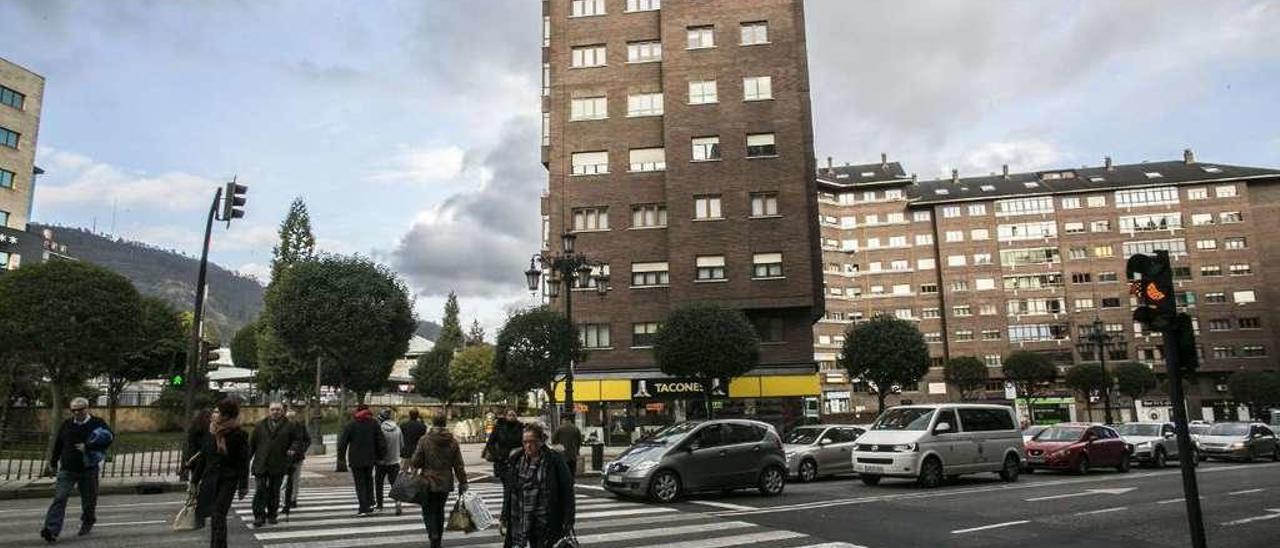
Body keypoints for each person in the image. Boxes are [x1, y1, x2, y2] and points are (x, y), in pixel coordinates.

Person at [40, 397, 113, 543]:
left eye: (80, 409)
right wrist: (53, 463)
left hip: (88, 469)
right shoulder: (67, 424)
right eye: (73, 410)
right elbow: (58, 444)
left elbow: (109, 439)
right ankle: (51, 530)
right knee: (59, 498)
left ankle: (88, 521)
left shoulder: (97, 423)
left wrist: (88, 447)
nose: (77, 413)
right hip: (67, 469)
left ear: (87, 408)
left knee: (89, 501)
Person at [504, 423, 575, 548]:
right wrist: (504, 516)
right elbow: (509, 490)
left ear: (541, 441)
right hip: (520, 517)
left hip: (545, 519)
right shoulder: (516, 459)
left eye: (532, 441)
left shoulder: (554, 459)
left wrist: (568, 520)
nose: (528, 445)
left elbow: (567, 491)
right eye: (525, 442)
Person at [196, 398, 250, 548]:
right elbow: (204, 456)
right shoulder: (211, 431)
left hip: (228, 479)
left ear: (226, 415)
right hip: (211, 478)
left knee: (219, 514)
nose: (213, 414)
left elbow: (243, 462)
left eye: (217, 412)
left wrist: (243, 486)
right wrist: (194, 480)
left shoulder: (239, 435)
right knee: (214, 516)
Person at [409, 415, 467, 548]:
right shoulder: (452, 441)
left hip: (428, 481)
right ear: (445, 423)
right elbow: (458, 464)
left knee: (428, 509)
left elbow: (416, 461)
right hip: (445, 481)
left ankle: (432, 533)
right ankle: (438, 539)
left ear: (433, 423)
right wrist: (463, 481)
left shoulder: (424, 440)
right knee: (439, 510)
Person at [248, 402, 300, 527]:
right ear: (269, 411)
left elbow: (297, 440)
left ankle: (272, 514)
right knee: (260, 490)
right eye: (273, 409)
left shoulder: (289, 425)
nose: (275, 412)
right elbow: (252, 444)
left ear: (282, 411)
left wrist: (293, 448)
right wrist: (246, 460)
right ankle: (259, 515)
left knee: (274, 490)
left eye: (278, 409)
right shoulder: (260, 425)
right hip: (261, 463)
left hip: (278, 463)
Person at [338, 403, 386, 517]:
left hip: (356, 459)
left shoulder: (351, 424)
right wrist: (381, 456)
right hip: (370, 458)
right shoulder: (374, 423)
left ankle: (363, 507)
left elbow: (342, 443)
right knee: (369, 480)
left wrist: (341, 459)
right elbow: (380, 441)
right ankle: (370, 503)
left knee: (360, 483)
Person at [485, 409, 523, 524]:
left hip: (517, 462)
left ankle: (510, 515)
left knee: (513, 490)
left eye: (514, 414)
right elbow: (490, 443)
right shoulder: (499, 427)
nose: (512, 416)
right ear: (505, 416)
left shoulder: (521, 427)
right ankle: (505, 517)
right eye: (509, 414)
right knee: (508, 489)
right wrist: (497, 456)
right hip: (503, 463)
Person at [184, 409, 214, 530]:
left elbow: (190, 448)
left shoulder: (194, 430)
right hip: (204, 464)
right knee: (203, 492)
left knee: (196, 492)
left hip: (196, 464)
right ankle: (201, 516)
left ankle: (198, 518)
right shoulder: (209, 431)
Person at [374, 408, 404, 515]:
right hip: (394, 461)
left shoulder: (379, 429)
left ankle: (380, 504)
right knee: (394, 484)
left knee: (379, 484)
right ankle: (398, 501)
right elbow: (401, 445)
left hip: (381, 462)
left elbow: (377, 445)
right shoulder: (398, 429)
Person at [282, 407, 311, 511]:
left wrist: (302, 449)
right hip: (284, 458)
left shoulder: (300, 426)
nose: (291, 419)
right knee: (284, 481)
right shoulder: (282, 427)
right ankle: (285, 500)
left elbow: (307, 440)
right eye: (289, 417)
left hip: (297, 457)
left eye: (292, 417)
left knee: (295, 480)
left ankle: (293, 500)